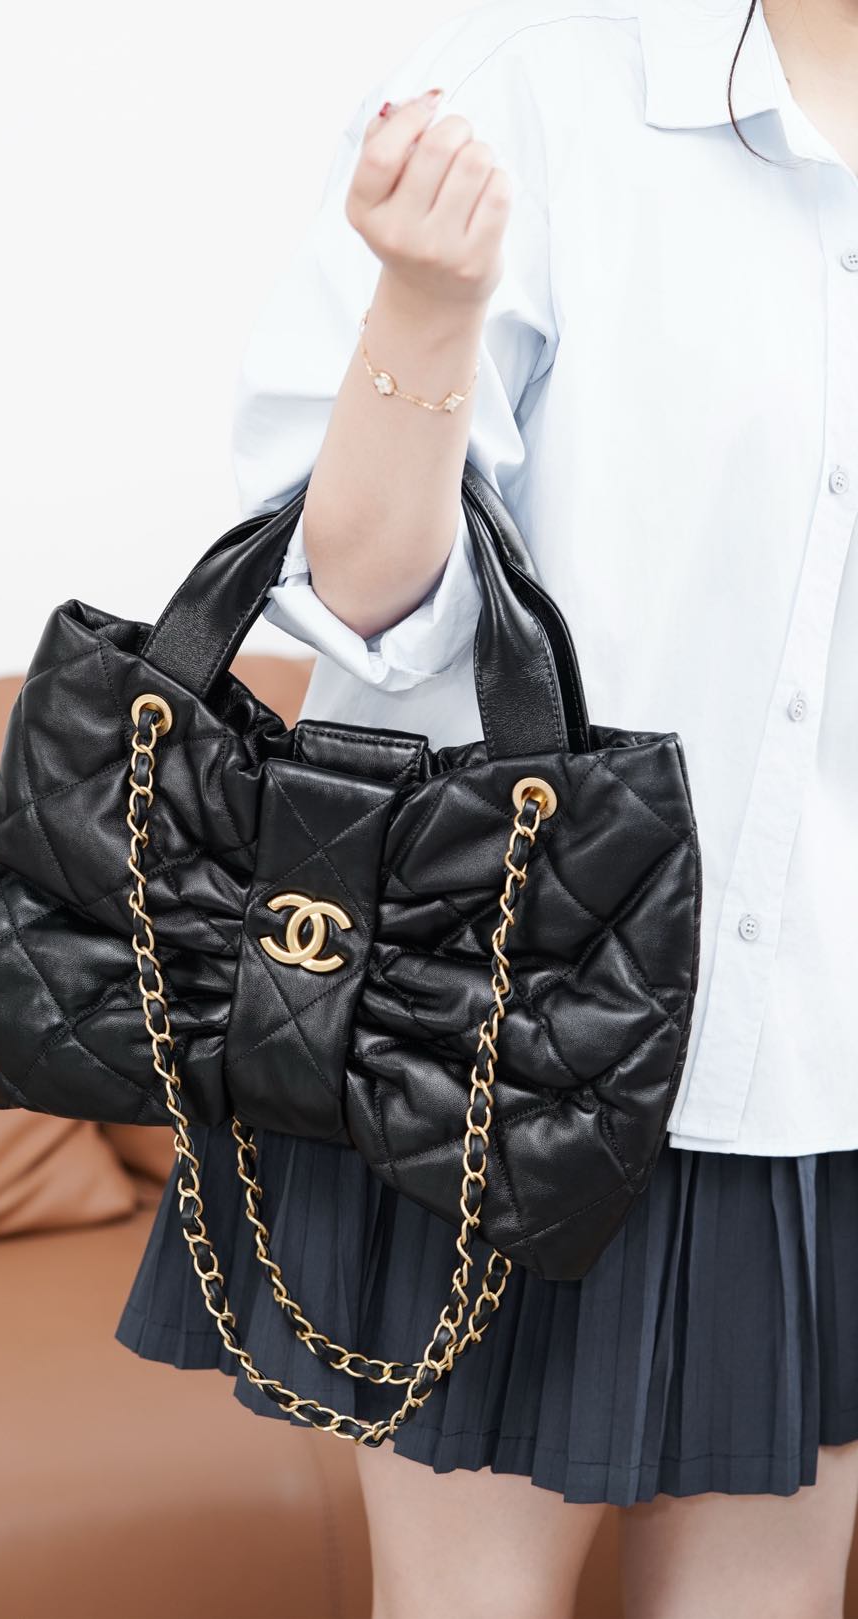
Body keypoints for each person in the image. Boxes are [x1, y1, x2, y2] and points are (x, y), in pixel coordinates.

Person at [115, 0, 858, 1611]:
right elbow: (361, 600)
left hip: (817, 1078)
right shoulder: (525, 92)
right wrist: (430, 303)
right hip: (496, 1040)